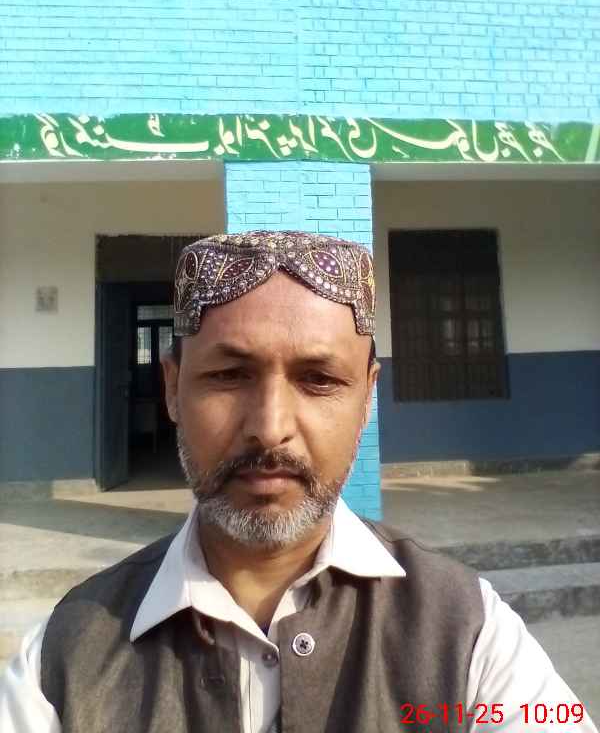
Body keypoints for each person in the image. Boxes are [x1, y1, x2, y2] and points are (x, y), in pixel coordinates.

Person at [0, 230, 597, 733]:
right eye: (229, 375)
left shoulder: (468, 632)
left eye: (318, 380)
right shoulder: (65, 659)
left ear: (367, 398)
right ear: (173, 389)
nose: (270, 428)